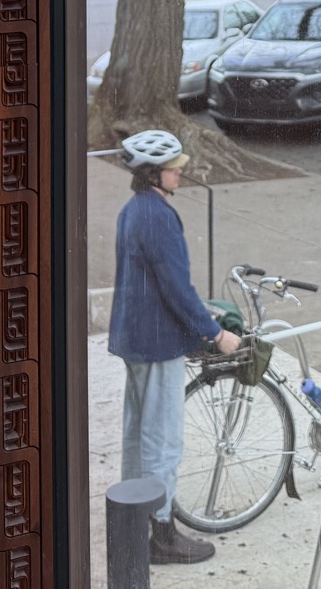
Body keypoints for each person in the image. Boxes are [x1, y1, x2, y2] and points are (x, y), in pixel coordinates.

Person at [108, 129, 241, 565]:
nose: (180, 174)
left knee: (137, 436)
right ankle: (161, 534)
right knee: (162, 440)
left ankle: (131, 524)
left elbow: (154, 280)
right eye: (173, 168)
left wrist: (200, 315)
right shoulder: (159, 217)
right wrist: (215, 333)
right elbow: (175, 287)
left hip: (134, 337)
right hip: (157, 342)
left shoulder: (133, 210)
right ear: (153, 174)